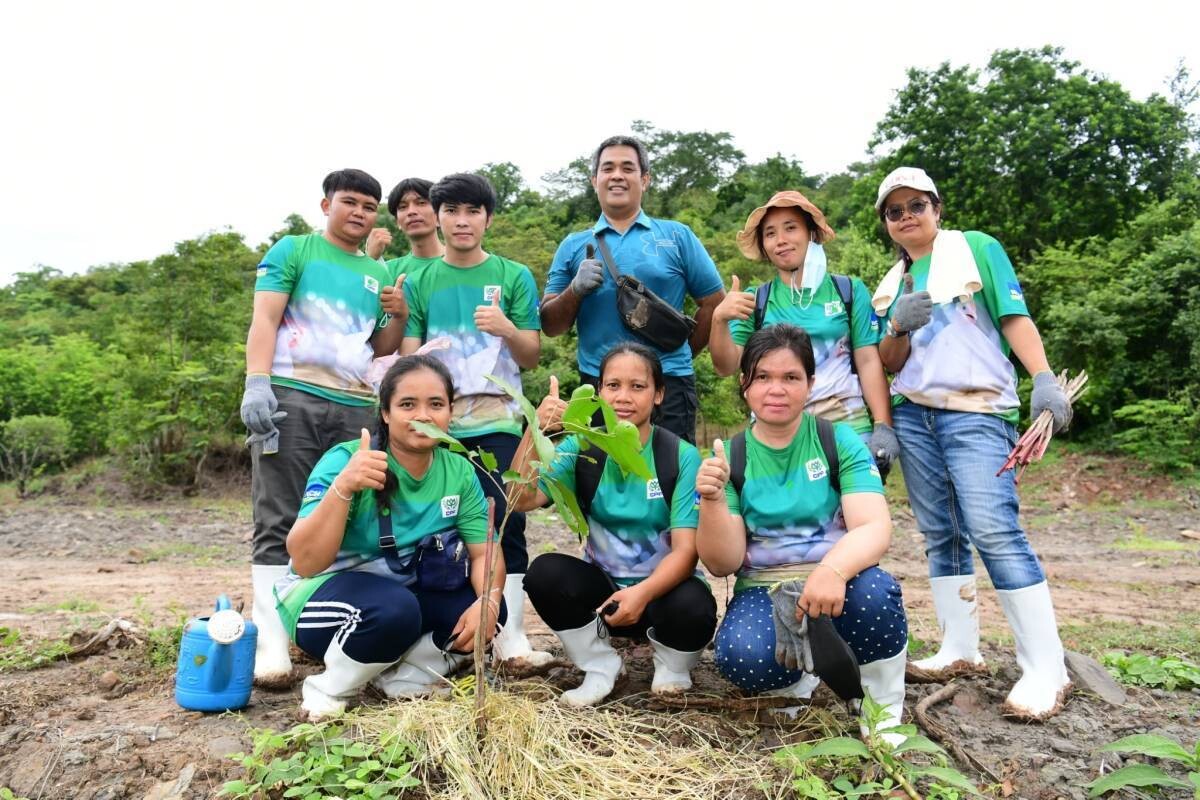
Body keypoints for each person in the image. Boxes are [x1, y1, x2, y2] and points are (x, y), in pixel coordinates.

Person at [872, 166, 1073, 721]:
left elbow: (1013, 317)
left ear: (937, 208)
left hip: (978, 412)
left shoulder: (975, 249)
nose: (907, 216)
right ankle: (961, 647)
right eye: (895, 210)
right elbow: (889, 364)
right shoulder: (891, 286)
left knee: (993, 529)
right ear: (886, 224)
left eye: (917, 205)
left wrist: (1044, 378)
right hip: (916, 417)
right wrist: (896, 328)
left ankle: (1046, 667)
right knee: (942, 533)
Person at [695, 324, 908, 738]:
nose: (777, 389)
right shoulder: (730, 457)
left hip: (840, 579)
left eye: (790, 377)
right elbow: (723, 563)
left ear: (810, 383)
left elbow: (875, 527)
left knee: (877, 597)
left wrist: (831, 571)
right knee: (742, 656)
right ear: (744, 385)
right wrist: (714, 500)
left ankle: (881, 703)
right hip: (764, 590)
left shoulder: (838, 441)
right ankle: (799, 679)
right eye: (763, 377)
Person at [241, 169, 408, 688]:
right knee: (279, 512)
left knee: (344, 517)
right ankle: (270, 638)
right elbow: (265, 320)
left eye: (368, 206)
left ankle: (319, 625)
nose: (359, 213)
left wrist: (397, 315)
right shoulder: (294, 250)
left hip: (355, 404)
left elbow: (381, 349)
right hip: (291, 395)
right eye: (350, 202)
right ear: (325, 204)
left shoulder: (378, 271)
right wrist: (257, 382)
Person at [275, 355, 505, 719]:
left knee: (489, 606)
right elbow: (306, 563)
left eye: (436, 404)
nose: (423, 416)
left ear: (450, 412)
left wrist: (489, 602)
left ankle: (405, 678)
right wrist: (345, 486)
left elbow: (484, 553)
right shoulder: (346, 461)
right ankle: (331, 688)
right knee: (395, 611)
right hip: (322, 598)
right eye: (407, 405)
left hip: (402, 596)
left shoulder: (458, 470)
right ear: (385, 413)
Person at [510, 343, 717, 706]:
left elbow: (686, 552)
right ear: (599, 392)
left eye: (638, 386)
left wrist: (642, 594)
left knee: (696, 606)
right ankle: (600, 664)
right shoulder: (580, 449)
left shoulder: (679, 456)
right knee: (544, 573)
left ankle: (672, 666)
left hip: (661, 596)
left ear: (659, 395)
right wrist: (535, 431)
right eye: (612, 385)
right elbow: (521, 499)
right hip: (602, 596)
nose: (624, 397)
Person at [398, 173, 548, 668]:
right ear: (438, 218)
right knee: (436, 525)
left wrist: (506, 327)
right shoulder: (420, 279)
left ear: (488, 218)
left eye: (473, 212)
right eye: (452, 212)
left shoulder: (513, 276)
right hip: (437, 425)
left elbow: (530, 354)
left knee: (506, 524)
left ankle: (512, 635)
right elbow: (408, 357)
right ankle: (444, 628)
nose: (462, 222)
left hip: (499, 420)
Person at [540, 135, 726, 445]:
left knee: (670, 479)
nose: (616, 175)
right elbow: (550, 325)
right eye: (607, 168)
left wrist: (678, 353)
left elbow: (715, 304)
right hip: (599, 388)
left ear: (645, 179)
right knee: (599, 483)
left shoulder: (677, 236)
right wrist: (575, 289)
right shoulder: (573, 245)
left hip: (669, 383)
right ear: (594, 179)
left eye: (628, 168)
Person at [708, 190, 900, 474]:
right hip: (776, 432)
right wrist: (719, 321)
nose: (781, 240)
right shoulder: (756, 300)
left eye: (790, 228)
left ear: (811, 233)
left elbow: (869, 361)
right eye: (770, 233)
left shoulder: (848, 290)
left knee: (857, 515)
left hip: (847, 428)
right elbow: (726, 366)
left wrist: (883, 426)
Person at [365, 176, 446, 272]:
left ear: (439, 214)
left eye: (421, 203)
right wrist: (370, 260)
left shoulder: (464, 262)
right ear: (397, 221)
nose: (411, 212)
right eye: (402, 207)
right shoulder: (387, 270)